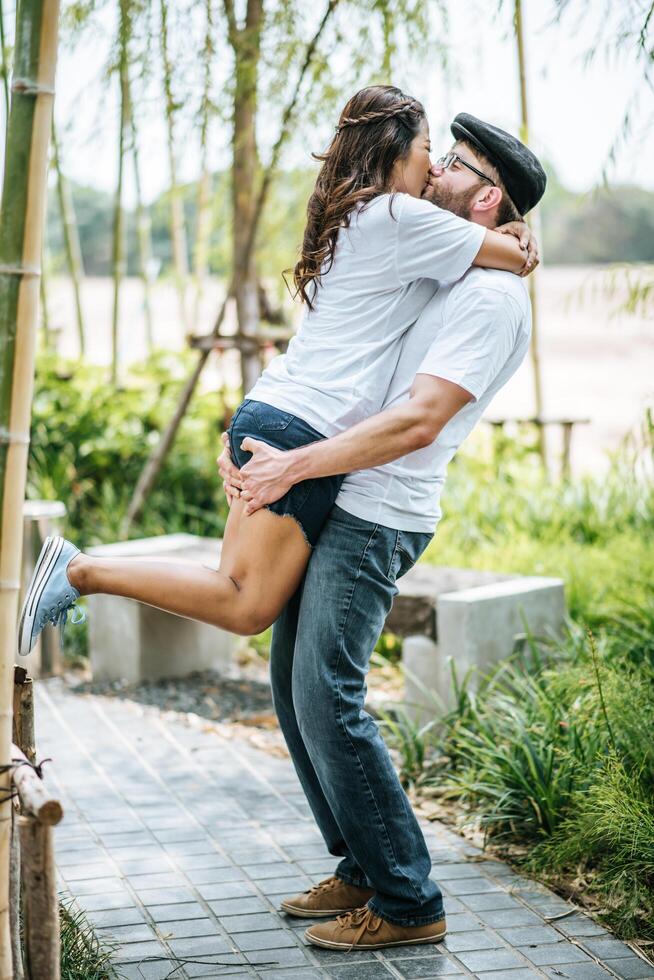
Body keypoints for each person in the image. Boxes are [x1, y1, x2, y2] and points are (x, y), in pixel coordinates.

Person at [17, 87, 536, 658]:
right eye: (428, 150)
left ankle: (83, 569)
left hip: (278, 410)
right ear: (393, 153)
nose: (433, 167)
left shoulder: (362, 216)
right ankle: (82, 571)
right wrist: (516, 234)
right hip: (302, 424)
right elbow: (516, 260)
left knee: (236, 592)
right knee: (244, 605)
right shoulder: (400, 216)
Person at [217, 112, 547, 952]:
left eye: (457, 164)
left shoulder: (491, 298)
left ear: (488, 193)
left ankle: (406, 899)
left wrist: (292, 467)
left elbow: (419, 422)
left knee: (327, 694)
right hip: (342, 485)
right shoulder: (453, 259)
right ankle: (361, 866)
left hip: (379, 510)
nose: (436, 170)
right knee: (295, 686)